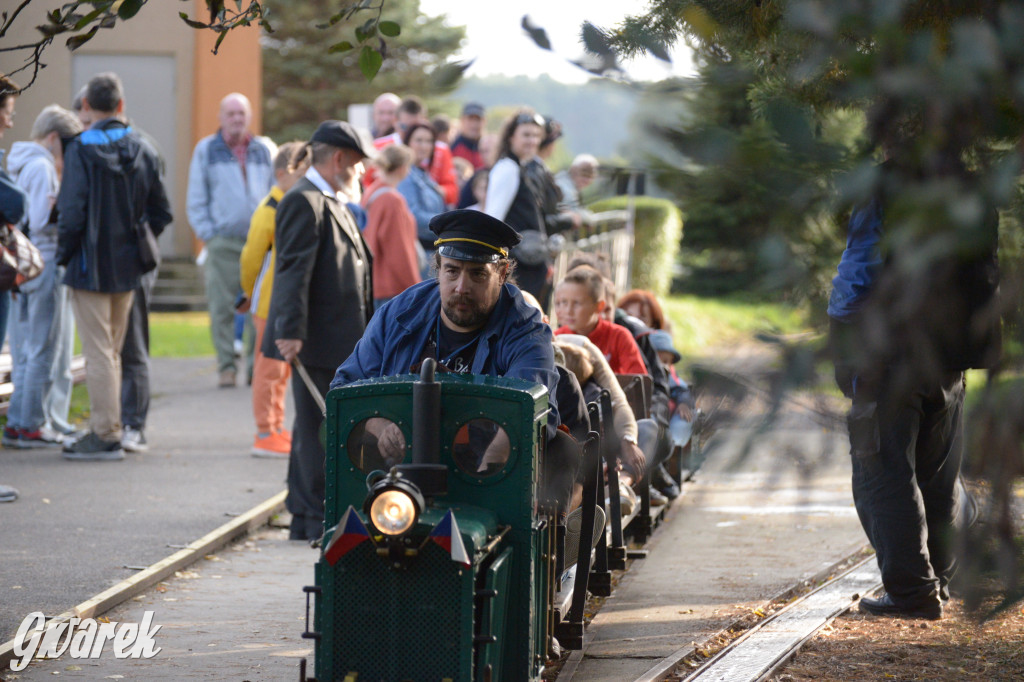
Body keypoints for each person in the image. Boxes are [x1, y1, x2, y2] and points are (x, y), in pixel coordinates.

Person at [828, 158, 997, 620]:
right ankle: (938, 580)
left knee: (882, 475)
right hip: (950, 355)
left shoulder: (885, 182)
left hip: (887, 356)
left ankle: (910, 593)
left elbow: (857, 273)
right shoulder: (970, 182)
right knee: (937, 474)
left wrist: (841, 340)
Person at [331, 210, 582, 513]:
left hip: (487, 467)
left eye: (477, 274)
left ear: (502, 273)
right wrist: (381, 423)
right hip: (395, 472)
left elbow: (534, 407)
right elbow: (344, 389)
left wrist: (491, 466)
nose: (461, 287)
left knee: (562, 449)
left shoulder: (526, 329)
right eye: (452, 271)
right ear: (437, 269)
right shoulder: (398, 314)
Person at [262, 120, 374, 542]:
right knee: (316, 430)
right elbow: (291, 271)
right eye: (359, 164)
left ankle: (307, 513)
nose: (362, 173)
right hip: (317, 340)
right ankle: (311, 517)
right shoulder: (303, 201)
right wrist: (289, 331)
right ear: (340, 159)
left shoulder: (330, 200)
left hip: (338, 339)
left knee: (315, 429)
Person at [55, 72, 172, 459]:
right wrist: (137, 238)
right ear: (121, 105)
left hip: (89, 265)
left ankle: (105, 434)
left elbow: (72, 212)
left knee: (99, 353)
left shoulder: (80, 148)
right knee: (114, 352)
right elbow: (161, 211)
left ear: (87, 106)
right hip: (129, 267)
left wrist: (63, 255)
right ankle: (113, 428)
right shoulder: (145, 147)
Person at [4, 105, 83, 449]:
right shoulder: (41, 166)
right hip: (44, 262)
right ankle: (31, 423)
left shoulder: (18, 161)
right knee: (42, 349)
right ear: (53, 138)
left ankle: (20, 422)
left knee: (25, 349)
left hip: (21, 269)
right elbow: (36, 219)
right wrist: (62, 208)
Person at [186, 92, 275, 388]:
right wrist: (208, 235)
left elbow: (277, 192)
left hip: (260, 243)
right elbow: (196, 197)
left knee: (257, 306)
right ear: (221, 117)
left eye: (241, 114)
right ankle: (226, 367)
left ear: (249, 117)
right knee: (221, 307)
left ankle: (253, 369)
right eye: (231, 114)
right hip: (222, 241)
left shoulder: (264, 149)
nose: (237, 119)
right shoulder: (206, 150)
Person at [239, 141, 308, 458]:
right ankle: (264, 432)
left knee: (281, 371)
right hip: (268, 302)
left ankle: (277, 427)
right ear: (283, 173)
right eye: (301, 170)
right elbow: (251, 258)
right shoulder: (270, 209)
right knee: (268, 370)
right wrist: (248, 292)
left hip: (279, 303)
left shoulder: (288, 204)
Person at [484, 108, 551, 306]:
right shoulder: (508, 168)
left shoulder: (520, 167)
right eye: (526, 135)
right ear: (511, 136)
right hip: (518, 266)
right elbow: (493, 218)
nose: (532, 140)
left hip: (528, 263)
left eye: (536, 135)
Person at [553, 266, 647, 375]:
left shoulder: (619, 337)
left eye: (577, 303)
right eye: (564, 302)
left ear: (599, 306)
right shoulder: (557, 339)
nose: (568, 311)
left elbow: (638, 381)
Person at [363, 144, 421, 309]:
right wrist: (415, 287)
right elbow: (398, 249)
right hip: (392, 287)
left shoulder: (371, 191)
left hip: (375, 282)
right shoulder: (393, 200)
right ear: (403, 168)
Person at [370, 97, 458, 205]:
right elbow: (368, 184)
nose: (409, 134)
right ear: (395, 122)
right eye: (405, 127)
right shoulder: (379, 147)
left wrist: (428, 191)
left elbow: (452, 192)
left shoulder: (440, 150)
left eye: (416, 128)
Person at [396, 122, 446, 262]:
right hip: (420, 254)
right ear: (408, 143)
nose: (424, 146)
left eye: (429, 141)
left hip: (433, 251)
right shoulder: (405, 175)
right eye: (419, 140)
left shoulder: (423, 174)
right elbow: (413, 215)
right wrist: (446, 222)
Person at [555, 153, 599, 219]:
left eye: (590, 176)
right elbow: (571, 213)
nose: (587, 180)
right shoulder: (565, 188)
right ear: (573, 170)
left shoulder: (569, 184)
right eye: (584, 174)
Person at [450, 102, 486, 170]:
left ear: (484, 121)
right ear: (462, 120)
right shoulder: (453, 147)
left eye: (478, 119)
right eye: (470, 119)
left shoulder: (489, 148)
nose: (474, 124)